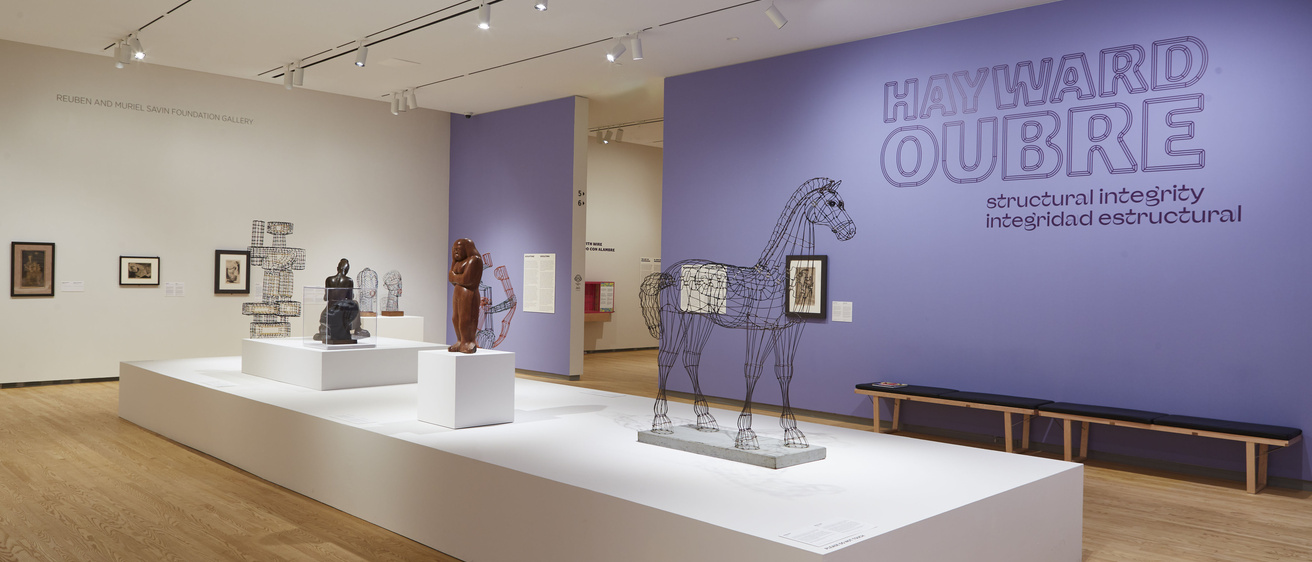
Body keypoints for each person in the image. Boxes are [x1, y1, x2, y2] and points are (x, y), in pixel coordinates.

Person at [448, 239, 483, 353]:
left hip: (469, 293)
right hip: (458, 292)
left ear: (466, 249)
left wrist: (456, 277)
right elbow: (450, 278)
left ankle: (468, 341)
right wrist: (458, 278)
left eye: (459, 249)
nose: (456, 252)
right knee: (456, 318)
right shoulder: (457, 262)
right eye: (454, 250)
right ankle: (460, 341)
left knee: (466, 318)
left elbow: (467, 280)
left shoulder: (474, 260)